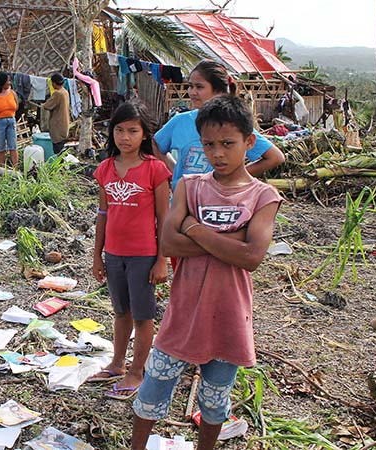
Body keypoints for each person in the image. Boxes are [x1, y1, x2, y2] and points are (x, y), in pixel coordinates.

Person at [131, 95, 282, 450]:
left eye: (228, 144)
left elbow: (251, 256)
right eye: (209, 144)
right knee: (152, 391)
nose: (217, 153)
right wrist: (228, 240)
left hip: (228, 317)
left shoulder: (263, 196)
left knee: (214, 403)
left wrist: (195, 229)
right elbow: (168, 242)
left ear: (249, 142)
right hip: (183, 313)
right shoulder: (191, 186)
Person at [90, 101, 171, 400]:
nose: (125, 137)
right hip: (114, 254)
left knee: (142, 315)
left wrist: (162, 259)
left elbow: (164, 218)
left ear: (144, 135)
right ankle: (116, 362)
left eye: (132, 131)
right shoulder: (105, 169)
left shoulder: (155, 170)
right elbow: (103, 214)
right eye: (119, 130)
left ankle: (137, 370)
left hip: (143, 255)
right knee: (120, 311)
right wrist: (97, 255)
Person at [153, 60, 285, 190]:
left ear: (219, 91)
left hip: (220, 204)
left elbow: (275, 157)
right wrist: (175, 170)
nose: (192, 92)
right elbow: (155, 144)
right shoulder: (180, 121)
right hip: (182, 203)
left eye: (199, 87)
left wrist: (232, 178)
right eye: (190, 86)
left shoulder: (233, 124)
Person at [42, 72, 71, 155]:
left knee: (58, 151)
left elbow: (47, 106)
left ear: (54, 83)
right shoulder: (65, 92)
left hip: (58, 126)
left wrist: (44, 104)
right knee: (62, 149)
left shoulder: (57, 94)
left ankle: (61, 167)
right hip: (64, 125)